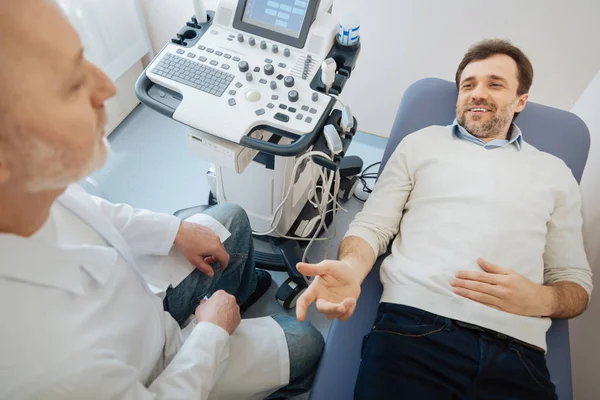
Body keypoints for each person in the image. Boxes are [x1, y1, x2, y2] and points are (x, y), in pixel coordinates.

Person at [0, 1, 323, 399]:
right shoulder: (48, 365)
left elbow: (95, 211)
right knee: (308, 340)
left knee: (232, 220)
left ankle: (237, 294)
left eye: (84, 57)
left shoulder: (28, 182)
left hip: (143, 307)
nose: (107, 86)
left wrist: (175, 230)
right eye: (70, 85)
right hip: (158, 373)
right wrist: (211, 334)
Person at [295, 39, 593, 399]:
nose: (477, 93)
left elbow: (574, 283)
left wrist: (543, 300)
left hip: (519, 354)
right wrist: (351, 268)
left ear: (520, 101)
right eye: (468, 84)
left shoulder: (555, 173)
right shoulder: (420, 144)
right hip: (416, 328)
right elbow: (372, 227)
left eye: (495, 84)